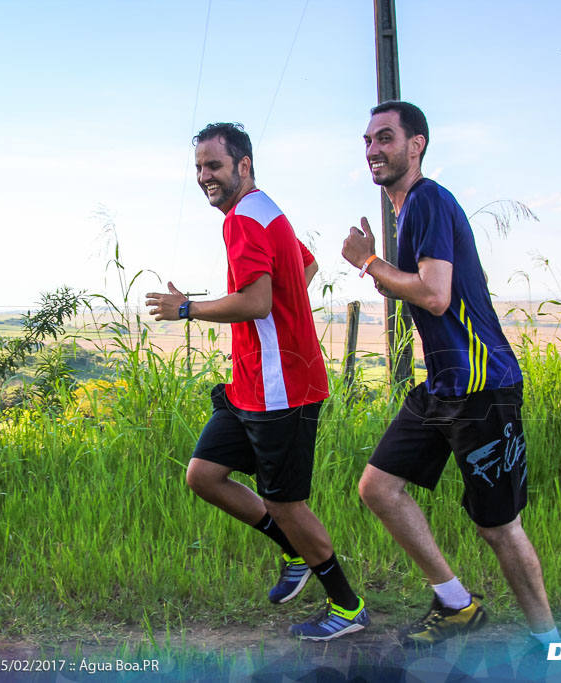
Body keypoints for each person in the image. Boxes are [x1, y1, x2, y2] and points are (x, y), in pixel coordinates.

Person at [341, 101, 559, 648]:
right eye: (368, 140)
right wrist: (381, 268)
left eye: (385, 138)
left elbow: (435, 296)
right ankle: (457, 604)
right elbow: (422, 286)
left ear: (416, 145)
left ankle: (549, 645)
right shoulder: (408, 210)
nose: (373, 149)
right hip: (442, 384)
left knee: (497, 526)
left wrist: (370, 264)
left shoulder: (427, 199)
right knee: (379, 488)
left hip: (482, 386)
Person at [146, 122, 368, 641]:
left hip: (279, 389)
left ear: (243, 166)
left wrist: (187, 308)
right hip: (250, 383)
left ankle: (347, 605)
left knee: (287, 501)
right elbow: (304, 268)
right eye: (199, 167)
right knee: (203, 474)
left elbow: (257, 301)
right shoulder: (267, 209)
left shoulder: (244, 219)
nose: (205, 176)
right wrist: (281, 318)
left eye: (214, 165)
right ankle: (291, 548)